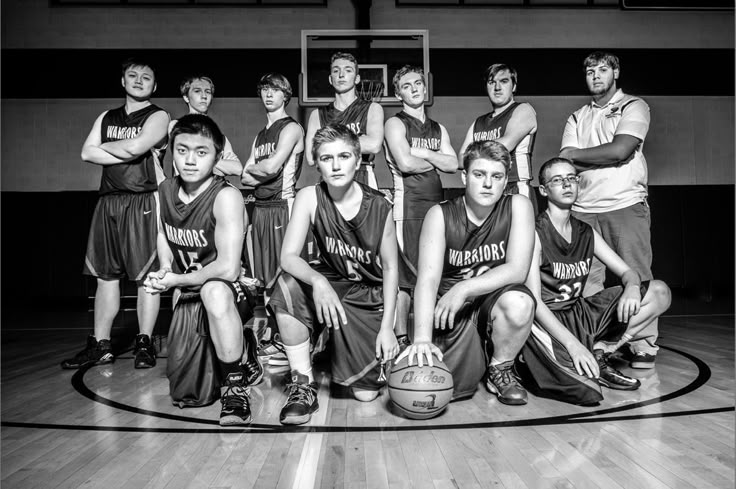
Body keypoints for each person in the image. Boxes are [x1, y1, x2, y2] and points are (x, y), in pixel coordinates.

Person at [268, 124, 400, 425]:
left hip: (369, 292)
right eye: (327, 158)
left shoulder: (379, 205)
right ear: (317, 163)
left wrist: (388, 327)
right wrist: (318, 280)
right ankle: (302, 383)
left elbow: (392, 269)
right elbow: (287, 257)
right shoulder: (309, 197)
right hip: (333, 282)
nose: (336, 165)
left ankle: (333, 348)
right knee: (286, 286)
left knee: (366, 395)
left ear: (358, 160)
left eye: (343, 156)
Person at [521, 158, 671, 405]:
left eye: (572, 178)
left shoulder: (585, 231)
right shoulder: (535, 232)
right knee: (588, 393)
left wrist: (632, 287)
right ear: (544, 190)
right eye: (558, 180)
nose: (567, 185)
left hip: (579, 314)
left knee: (659, 292)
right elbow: (534, 303)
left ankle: (601, 351)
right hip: (548, 322)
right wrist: (573, 346)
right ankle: (552, 359)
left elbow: (628, 272)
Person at [144, 114, 262, 426]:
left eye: (201, 152)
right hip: (185, 287)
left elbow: (227, 268)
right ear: (172, 152)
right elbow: (163, 234)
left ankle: (235, 386)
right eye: (182, 151)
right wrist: (165, 268)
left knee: (214, 290)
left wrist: (175, 280)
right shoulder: (164, 191)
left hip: (231, 290)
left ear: (217, 157)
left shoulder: (226, 196)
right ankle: (245, 349)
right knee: (189, 395)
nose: (190, 160)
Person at [398, 140, 536, 405]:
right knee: (444, 388)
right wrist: (422, 340)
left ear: (506, 180)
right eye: (479, 174)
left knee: (519, 302)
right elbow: (426, 281)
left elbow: (517, 270)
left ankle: (500, 368)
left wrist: (465, 288)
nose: (487, 184)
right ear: (464, 176)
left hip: (489, 302)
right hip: (451, 311)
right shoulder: (440, 214)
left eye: (496, 176)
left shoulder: (518, 206)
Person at [62, 58, 169, 370]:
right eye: (132, 76)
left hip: (143, 201)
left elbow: (137, 149)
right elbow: (85, 152)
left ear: (154, 85)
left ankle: (144, 343)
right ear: (123, 81)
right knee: (105, 278)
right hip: (108, 201)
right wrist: (126, 146)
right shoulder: (107, 116)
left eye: (146, 77)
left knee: (146, 277)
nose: (138, 80)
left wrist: (108, 147)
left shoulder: (158, 115)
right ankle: (101, 344)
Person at [559, 51, 658, 368]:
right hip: (583, 208)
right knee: (586, 283)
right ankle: (594, 342)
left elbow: (621, 149)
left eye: (603, 69)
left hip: (624, 203)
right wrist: (592, 155)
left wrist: (581, 154)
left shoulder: (634, 105)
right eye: (590, 71)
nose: (596, 76)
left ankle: (642, 344)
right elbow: (565, 157)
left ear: (616, 72)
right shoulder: (577, 117)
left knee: (637, 277)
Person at [383, 65, 457, 348]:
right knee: (405, 279)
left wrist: (425, 152)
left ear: (426, 89)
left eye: (418, 84)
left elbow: (454, 164)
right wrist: (439, 158)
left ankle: (434, 336)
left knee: (433, 271)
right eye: (406, 85)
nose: (414, 89)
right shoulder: (395, 123)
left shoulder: (438, 128)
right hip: (408, 208)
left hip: (437, 209)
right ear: (398, 92)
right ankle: (401, 338)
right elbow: (405, 163)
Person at [240, 73, 304, 366]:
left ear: (285, 95)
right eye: (265, 89)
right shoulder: (260, 135)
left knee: (284, 274)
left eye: (275, 90)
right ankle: (274, 337)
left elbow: (272, 166)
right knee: (265, 279)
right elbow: (245, 174)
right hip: (261, 208)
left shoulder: (291, 128)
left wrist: (257, 169)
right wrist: (257, 169)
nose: (269, 94)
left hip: (283, 205)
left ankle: (289, 337)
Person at [459, 63, 538, 212]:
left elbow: (505, 145)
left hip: (514, 188)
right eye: (491, 82)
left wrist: (473, 150)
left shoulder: (523, 109)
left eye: (504, 81)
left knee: (519, 235)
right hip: (484, 189)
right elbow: (460, 160)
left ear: (514, 86)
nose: (497, 87)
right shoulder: (479, 122)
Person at [304, 52, 384, 189]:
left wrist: (326, 142)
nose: (341, 75)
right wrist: (358, 140)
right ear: (330, 79)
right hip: (329, 178)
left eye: (348, 70)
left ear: (357, 78)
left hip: (362, 175)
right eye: (336, 71)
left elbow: (374, 145)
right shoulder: (317, 114)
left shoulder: (372, 108)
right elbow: (311, 157)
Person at [169, 75, 242, 177]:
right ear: (186, 97)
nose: (204, 96)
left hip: (214, 190)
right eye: (197, 91)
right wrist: (217, 166)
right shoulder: (175, 126)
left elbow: (237, 168)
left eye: (208, 92)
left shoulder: (220, 137)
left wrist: (205, 162)